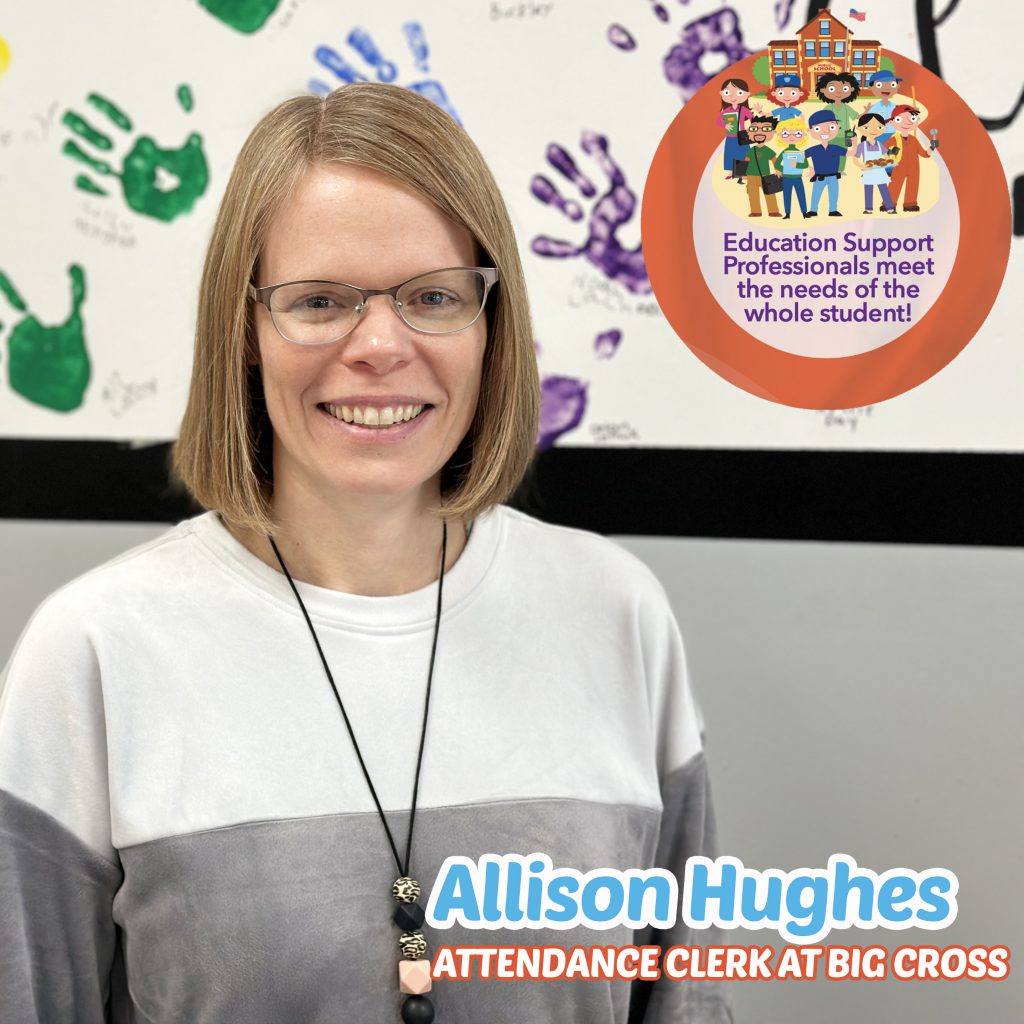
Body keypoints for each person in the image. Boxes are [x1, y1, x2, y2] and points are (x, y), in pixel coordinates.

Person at [0, 84, 727, 1024]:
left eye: (433, 296)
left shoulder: (618, 613)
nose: (380, 346)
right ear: (245, 331)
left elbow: (684, 999)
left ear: (489, 324)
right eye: (318, 301)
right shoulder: (91, 652)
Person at [885, 104, 931, 212]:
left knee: (913, 185)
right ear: (892, 122)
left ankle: (910, 204)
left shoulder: (914, 139)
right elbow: (882, 147)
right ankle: (889, 204)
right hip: (899, 166)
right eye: (900, 119)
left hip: (914, 168)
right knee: (895, 185)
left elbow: (924, 153)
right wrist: (890, 153)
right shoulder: (895, 138)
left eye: (911, 118)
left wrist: (931, 148)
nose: (907, 122)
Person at [852, 112, 897, 214]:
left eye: (878, 127)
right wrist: (862, 166)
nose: (873, 130)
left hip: (880, 171)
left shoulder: (880, 144)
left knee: (884, 189)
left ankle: (890, 207)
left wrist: (890, 162)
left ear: (883, 128)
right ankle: (868, 209)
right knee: (868, 190)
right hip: (868, 171)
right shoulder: (861, 146)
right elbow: (855, 159)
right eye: (867, 127)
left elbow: (886, 157)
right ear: (860, 129)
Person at [803, 110, 846, 217]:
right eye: (818, 128)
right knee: (816, 194)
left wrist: (854, 144)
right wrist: (810, 168)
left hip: (833, 176)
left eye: (831, 127)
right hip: (819, 176)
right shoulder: (814, 149)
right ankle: (813, 210)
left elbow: (850, 153)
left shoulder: (836, 148)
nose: (826, 131)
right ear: (810, 130)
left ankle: (833, 210)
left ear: (838, 127)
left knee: (833, 194)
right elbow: (801, 156)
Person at [744, 115, 782, 218]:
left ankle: (773, 211)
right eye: (754, 129)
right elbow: (746, 161)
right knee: (752, 194)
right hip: (751, 176)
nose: (759, 133)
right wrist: (743, 173)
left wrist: (778, 169)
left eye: (765, 129)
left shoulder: (767, 149)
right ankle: (755, 211)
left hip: (765, 175)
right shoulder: (751, 150)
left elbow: (774, 159)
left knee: (769, 193)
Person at [772, 117, 810, 219]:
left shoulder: (800, 152)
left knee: (801, 194)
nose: (792, 137)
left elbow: (806, 165)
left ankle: (804, 212)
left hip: (797, 177)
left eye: (797, 133)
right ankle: (787, 213)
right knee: (787, 195)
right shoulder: (784, 152)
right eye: (786, 133)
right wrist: (786, 169)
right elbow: (776, 164)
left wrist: (796, 165)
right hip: (786, 177)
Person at [715, 76, 752, 181]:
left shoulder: (743, 109)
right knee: (731, 154)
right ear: (722, 93)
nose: (732, 96)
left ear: (747, 94)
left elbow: (752, 118)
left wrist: (751, 129)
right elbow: (718, 121)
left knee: (742, 154)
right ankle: (732, 172)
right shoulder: (726, 111)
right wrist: (725, 125)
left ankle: (742, 173)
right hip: (730, 136)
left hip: (742, 136)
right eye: (727, 92)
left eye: (739, 93)